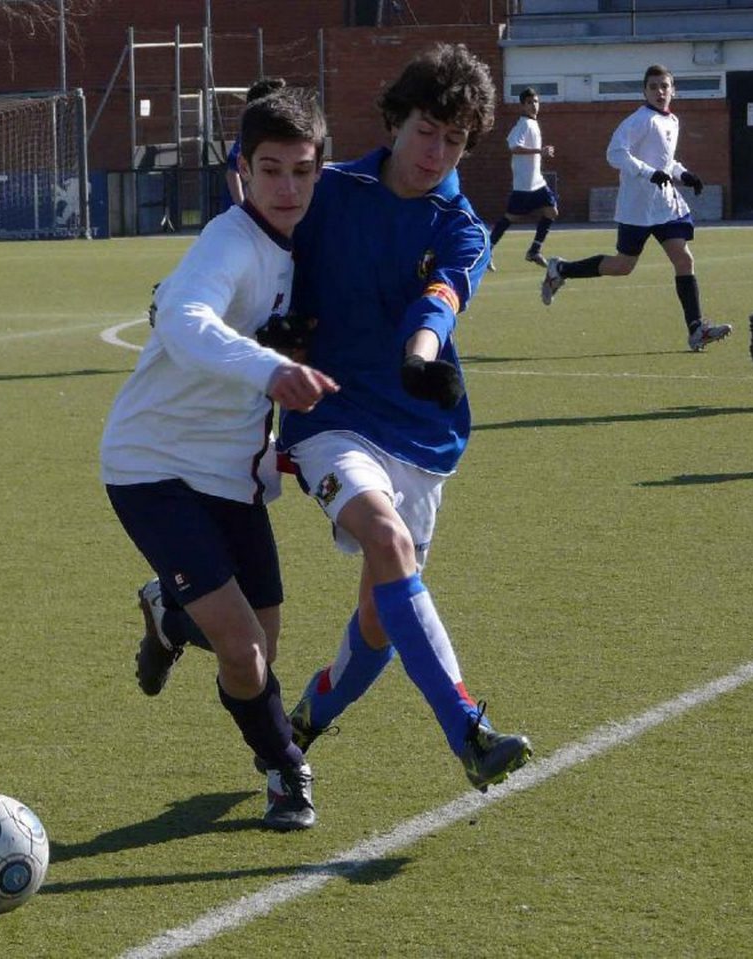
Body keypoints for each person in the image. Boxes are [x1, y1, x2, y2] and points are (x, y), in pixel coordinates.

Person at [275, 43, 532, 795]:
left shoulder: (462, 226)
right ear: (395, 121)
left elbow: (440, 301)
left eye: (454, 140)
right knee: (386, 541)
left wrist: (420, 357)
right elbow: (255, 198)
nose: (436, 152)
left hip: (419, 434)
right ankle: (468, 731)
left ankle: (299, 725)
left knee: (380, 619)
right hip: (329, 417)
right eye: (426, 130)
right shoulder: (331, 189)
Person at [100, 88, 338, 831]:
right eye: (270, 170)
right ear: (242, 169)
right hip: (152, 466)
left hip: (234, 476)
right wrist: (271, 367)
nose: (287, 188)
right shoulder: (229, 243)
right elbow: (182, 316)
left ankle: (170, 618)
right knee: (243, 647)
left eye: (302, 170)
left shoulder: (307, 240)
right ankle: (285, 768)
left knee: (260, 649)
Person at [541, 64, 732, 353]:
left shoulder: (672, 121)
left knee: (684, 260)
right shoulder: (639, 120)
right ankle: (561, 269)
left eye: (664, 86)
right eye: (653, 87)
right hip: (637, 208)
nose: (659, 91)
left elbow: (665, 161)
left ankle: (696, 330)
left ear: (673, 90)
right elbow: (615, 153)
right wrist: (647, 172)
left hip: (665, 206)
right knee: (623, 266)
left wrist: (684, 174)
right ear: (644, 91)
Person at [487, 86, 558, 269]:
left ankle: (534, 251)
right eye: (529, 102)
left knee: (551, 212)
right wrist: (540, 151)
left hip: (537, 182)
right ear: (523, 106)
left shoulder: (532, 123)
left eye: (535, 101)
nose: (533, 105)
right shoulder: (524, 124)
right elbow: (513, 147)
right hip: (525, 185)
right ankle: (486, 251)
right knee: (510, 218)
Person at [222, 77, 287, 211]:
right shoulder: (251, 135)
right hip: (245, 214)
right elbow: (232, 172)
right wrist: (242, 207)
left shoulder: (273, 134)